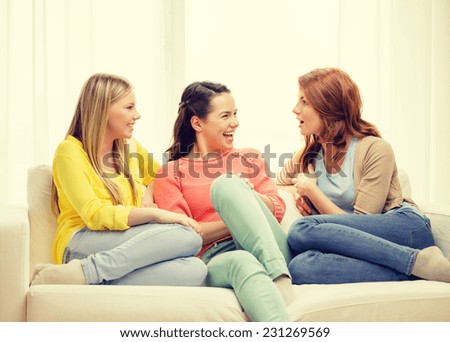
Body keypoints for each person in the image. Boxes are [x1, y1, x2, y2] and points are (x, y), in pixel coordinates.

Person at [31, 73, 207, 286]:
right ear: (103, 109)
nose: (137, 115)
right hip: (80, 241)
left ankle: (87, 275)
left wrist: (148, 194)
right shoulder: (69, 152)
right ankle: (89, 269)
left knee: (196, 270)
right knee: (188, 236)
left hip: (122, 240)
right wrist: (156, 214)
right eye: (129, 107)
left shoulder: (128, 147)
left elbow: (162, 174)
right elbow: (95, 214)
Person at [278, 67, 450, 284]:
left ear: (329, 108)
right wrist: (296, 190)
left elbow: (363, 221)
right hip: (366, 247)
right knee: (301, 267)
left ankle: (415, 260)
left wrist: (312, 191)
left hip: (404, 229)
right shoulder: (307, 156)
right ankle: (419, 267)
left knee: (301, 230)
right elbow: (271, 184)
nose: (295, 109)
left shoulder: (375, 149)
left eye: (305, 101)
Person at [153, 81, 295, 321]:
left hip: (272, 250)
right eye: (225, 115)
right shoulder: (171, 172)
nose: (235, 122)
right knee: (243, 261)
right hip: (215, 258)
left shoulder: (249, 157)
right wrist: (238, 216)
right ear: (197, 123)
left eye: (235, 114)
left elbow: (278, 208)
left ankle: (278, 277)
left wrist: (246, 197)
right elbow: (182, 237)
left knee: (227, 185)